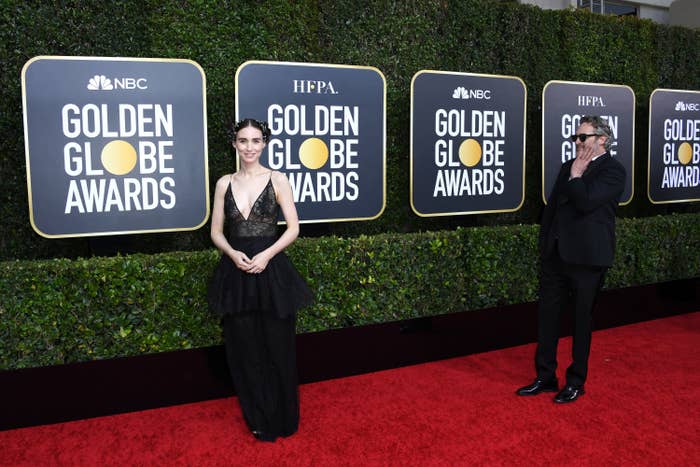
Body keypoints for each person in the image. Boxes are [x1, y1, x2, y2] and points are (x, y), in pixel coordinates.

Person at [208, 118, 313, 441]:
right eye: (243, 141)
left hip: (272, 274)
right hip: (236, 274)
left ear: (264, 143)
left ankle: (284, 417)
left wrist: (267, 255)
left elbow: (293, 228)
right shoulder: (224, 183)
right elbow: (215, 231)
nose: (249, 147)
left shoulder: (278, 179)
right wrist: (231, 252)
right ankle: (258, 418)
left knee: (278, 348)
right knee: (244, 351)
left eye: (256, 140)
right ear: (234, 144)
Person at [516, 115, 625, 403]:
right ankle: (545, 376)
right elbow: (552, 209)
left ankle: (576, 381)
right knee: (547, 318)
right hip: (556, 256)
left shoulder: (613, 171)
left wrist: (577, 175)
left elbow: (587, 201)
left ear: (602, 139)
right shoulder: (568, 166)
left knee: (580, 321)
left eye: (583, 137)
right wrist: (545, 245)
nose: (577, 142)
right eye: (575, 138)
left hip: (588, 260)